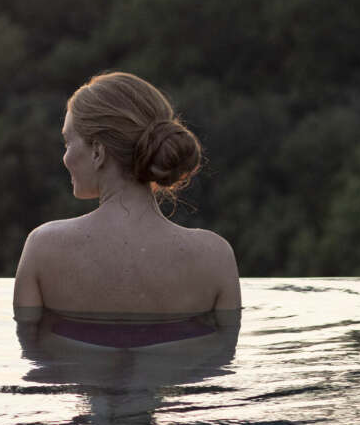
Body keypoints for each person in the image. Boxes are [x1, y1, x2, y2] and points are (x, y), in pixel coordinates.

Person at [13, 71, 239, 343]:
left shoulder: (43, 248)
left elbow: (33, 354)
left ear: (97, 152)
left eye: (67, 142)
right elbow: (222, 358)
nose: (65, 157)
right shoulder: (216, 257)